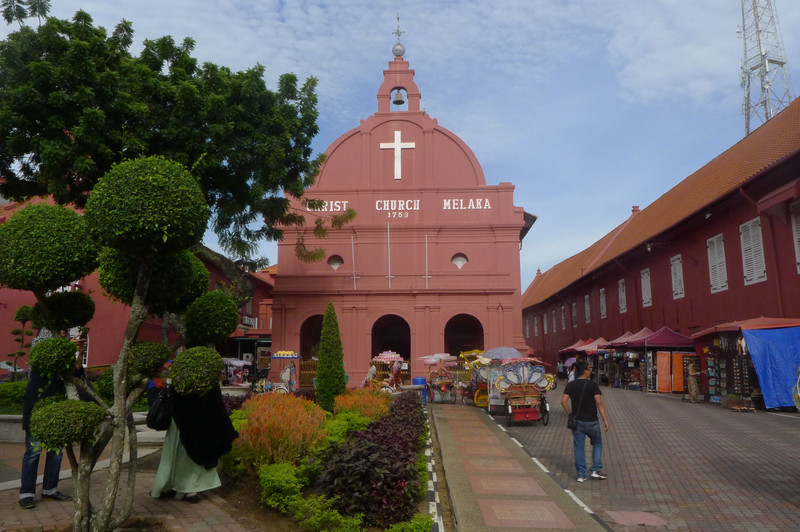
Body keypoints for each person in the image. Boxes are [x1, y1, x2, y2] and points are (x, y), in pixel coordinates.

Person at [18, 331, 85, 509]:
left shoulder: (63, 343)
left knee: (56, 451)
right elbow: (44, 363)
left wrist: (80, 353)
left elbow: (74, 373)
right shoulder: (43, 339)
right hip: (37, 402)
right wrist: (66, 347)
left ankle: (50, 488)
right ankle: (26, 493)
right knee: (33, 452)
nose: (64, 330)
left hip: (57, 402)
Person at [151, 380, 238, 502]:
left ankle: (168, 485)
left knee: (175, 452)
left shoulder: (181, 371)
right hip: (201, 420)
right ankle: (192, 490)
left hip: (180, 420)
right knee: (196, 453)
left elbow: (173, 390)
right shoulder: (207, 372)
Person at [560, 360, 609, 483]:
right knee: (597, 443)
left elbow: (563, 401)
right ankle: (595, 469)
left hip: (578, 422)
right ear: (585, 371)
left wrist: (570, 414)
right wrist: (605, 419)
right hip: (592, 421)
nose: (591, 371)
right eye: (589, 369)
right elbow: (599, 402)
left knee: (579, 448)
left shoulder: (570, 385)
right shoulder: (593, 385)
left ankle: (581, 475)